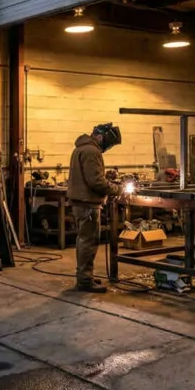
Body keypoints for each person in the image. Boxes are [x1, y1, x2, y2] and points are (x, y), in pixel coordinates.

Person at [67, 123, 123, 293]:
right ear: (99, 136)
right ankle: (84, 281)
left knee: (84, 241)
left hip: (81, 202)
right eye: (108, 142)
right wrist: (116, 189)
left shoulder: (81, 148)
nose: (107, 146)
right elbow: (95, 182)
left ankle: (86, 276)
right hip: (87, 204)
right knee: (88, 243)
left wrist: (107, 177)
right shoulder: (92, 151)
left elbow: (91, 176)